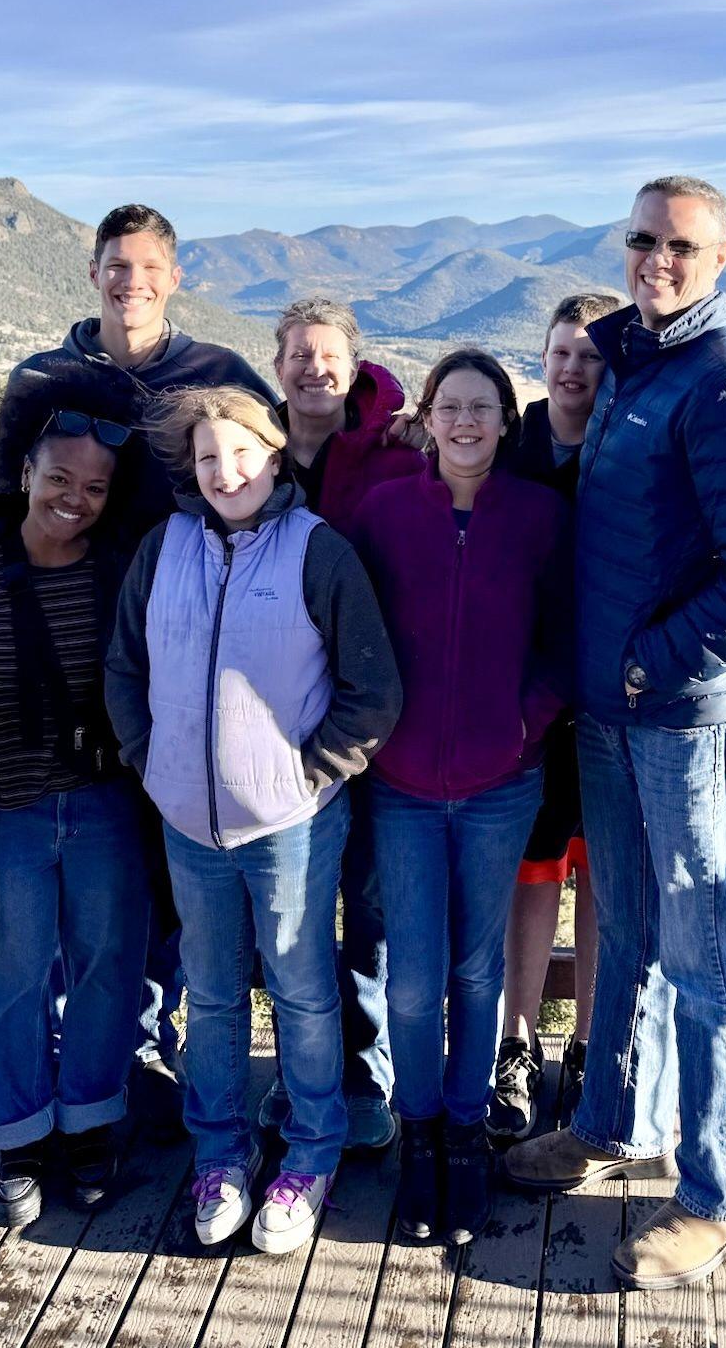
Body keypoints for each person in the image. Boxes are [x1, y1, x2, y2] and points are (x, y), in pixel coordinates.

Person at [0, 203, 274, 1128]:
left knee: (155, 883)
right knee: (67, 908)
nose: (132, 281)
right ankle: (81, 1092)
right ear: (96, 272)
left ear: (174, 275)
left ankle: (137, 1057)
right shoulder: (46, 377)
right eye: (117, 264)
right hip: (66, 664)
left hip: (185, 665)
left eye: (149, 266)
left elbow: (277, 465)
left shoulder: (218, 375)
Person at [504, 176, 726, 1293]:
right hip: (613, 713)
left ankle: (722, 1190)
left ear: (722, 257)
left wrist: (645, 661)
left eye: (681, 245)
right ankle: (612, 1120)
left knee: (705, 952)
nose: (656, 260)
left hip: (680, 715)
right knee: (623, 929)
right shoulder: (634, 358)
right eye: (642, 240)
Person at [105, 386, 401, 1254]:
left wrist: (304, 777)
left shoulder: (319, 552)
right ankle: (222, 1154)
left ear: (275, 455)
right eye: (207, 457)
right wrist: (147, 758)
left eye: (241, 452)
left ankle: (310, 1153)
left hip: (292, 827)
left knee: (306, 993)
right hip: (188, 825)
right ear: (191, 469)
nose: (225, 470)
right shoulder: (163, 548)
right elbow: (125, 665)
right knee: (218, 994)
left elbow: (372, 690)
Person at [0, 374, 149, 1226]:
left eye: (94, 486)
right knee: (4, 974)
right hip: (2, 805)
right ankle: (13, 1134)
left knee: (108, 965)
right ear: (25, 469)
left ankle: (88, 1121)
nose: (74, 499)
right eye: (59, 479)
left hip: (104, 799)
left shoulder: (126, 561)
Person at [350, 347, 572, 1247]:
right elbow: (347, 629)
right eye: (452, 406)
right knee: (412, 973)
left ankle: (468, 1133)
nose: (467, 422)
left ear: (502, 422)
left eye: (484, 408)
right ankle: (423, 1133)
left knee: (479, 969)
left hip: (501, 781)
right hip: (399, 782)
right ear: (428, 416)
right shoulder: (384, 511)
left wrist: (525, 721)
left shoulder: (540, 518)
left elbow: (565, 635)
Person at [254, 297, 424, 1154]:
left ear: (354, 366)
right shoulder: (251, 453)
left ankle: (365, 1077)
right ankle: (300, 1073)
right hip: (275, 723)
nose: (314, 368)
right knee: (291, 917)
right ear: (277, 365)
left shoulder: (398, 452)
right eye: (298, 355)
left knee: (368, 913)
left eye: (329, 355)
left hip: (371, 723)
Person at [486, 293, 617, 1149]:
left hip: (610, 702)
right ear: (542, 360)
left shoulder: (628, 448)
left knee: (602, 881)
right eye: (561, 352)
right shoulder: (511, 449)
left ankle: (593, 1048)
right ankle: (517, 1045)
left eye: (589, 357)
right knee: (531, 882)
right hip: (530, 703)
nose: (572, 368)